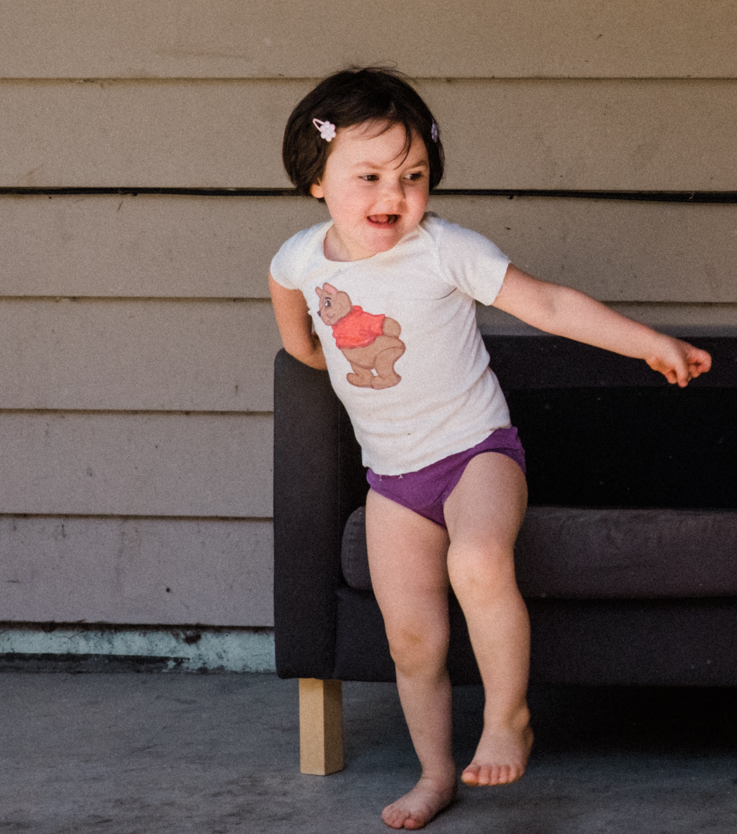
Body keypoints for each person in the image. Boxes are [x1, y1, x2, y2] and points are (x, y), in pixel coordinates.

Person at [268, 67, 711, 830]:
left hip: (478, 453)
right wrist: (326, 363)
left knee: (476, 559)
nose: (393, 195)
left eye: (413, 177)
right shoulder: (298, 262)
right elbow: (300, 340)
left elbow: (547, 302)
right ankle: (437, 772)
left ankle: (508, 716)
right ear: (316, 180)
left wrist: (649, 344)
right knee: (411, 638)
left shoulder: (446, 250)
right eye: (368, 176)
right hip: (393, 479)